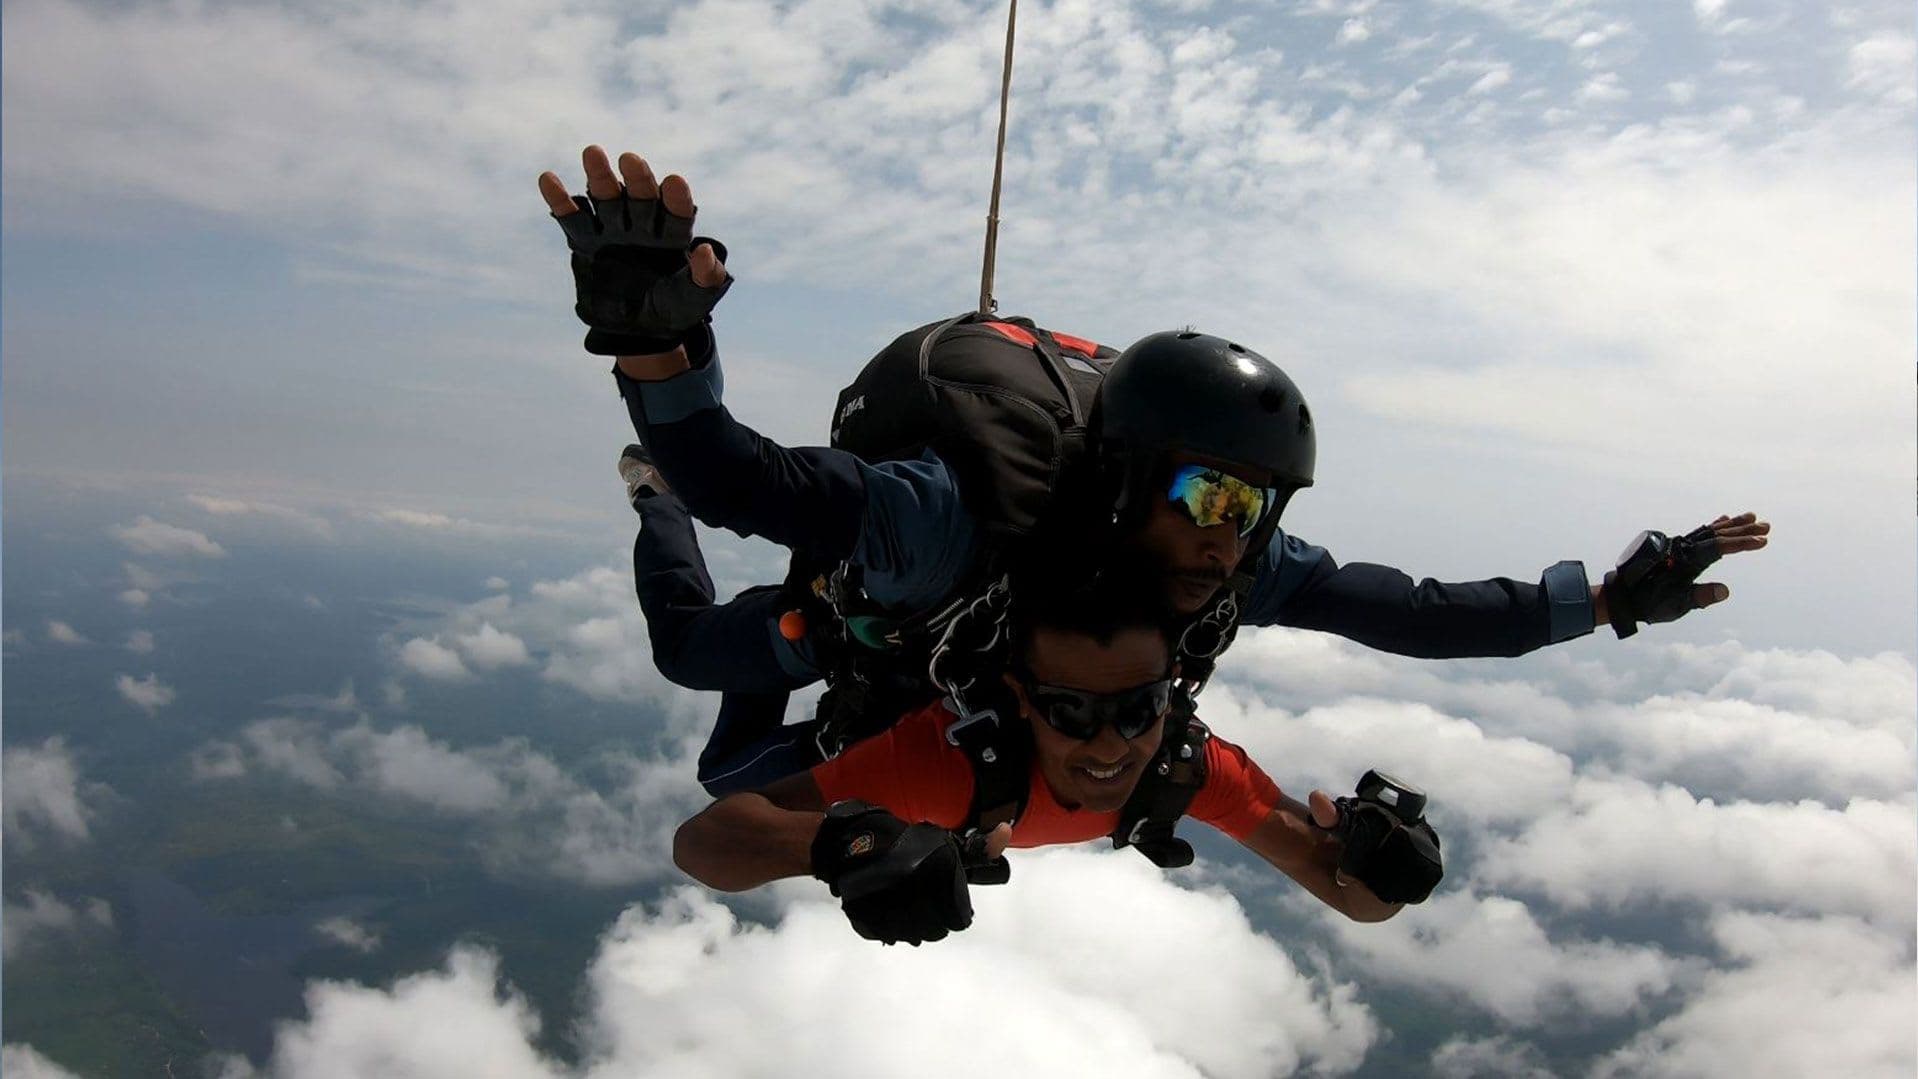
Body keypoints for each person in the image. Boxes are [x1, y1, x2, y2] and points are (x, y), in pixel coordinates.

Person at [539, 144, 1771, 783]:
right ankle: (642, 515)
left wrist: (1605, 603)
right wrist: (660, 347)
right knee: (710, 698)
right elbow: (749, 484)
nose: (1229, 533)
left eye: (1254, 506)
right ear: (1125, 474)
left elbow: (1411, 614)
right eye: (1210, 494)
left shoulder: (1230, 561)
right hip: (858, 617)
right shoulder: (957, 513)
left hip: (955, 658)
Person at [672, 596, 1443, 944]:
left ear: (1173, 697)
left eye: (1138, 709)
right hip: (860, 735)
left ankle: (777, 627)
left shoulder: (1190, 768)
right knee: (723, 760)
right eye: (1072, 711)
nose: (1109, 745)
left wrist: (1383, 860)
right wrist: (839, 846)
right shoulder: (943, 767)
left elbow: (1358, 902)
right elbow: (706, 838)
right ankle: (663, 510)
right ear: (1018, 699)